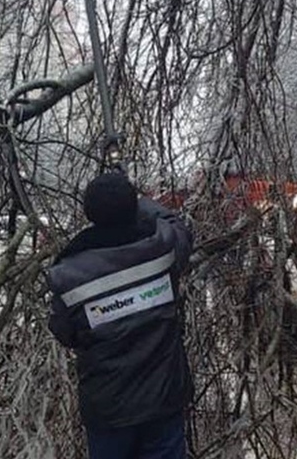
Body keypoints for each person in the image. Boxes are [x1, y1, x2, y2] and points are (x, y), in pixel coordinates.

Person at [47, 171, 195, 459]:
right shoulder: (161, 248)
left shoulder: (68, 275)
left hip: (108, 412)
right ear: (132, 207)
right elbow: (178, 225)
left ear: (89, 213)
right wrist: (141, 200)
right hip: (162, 401)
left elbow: (64, 332)